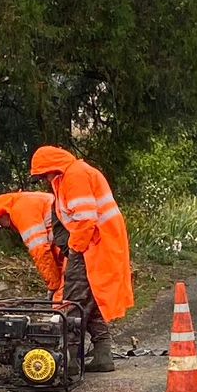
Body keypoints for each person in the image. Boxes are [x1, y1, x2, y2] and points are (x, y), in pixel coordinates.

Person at [29, 145, 135, 372]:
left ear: (53, 167)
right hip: (100, 242)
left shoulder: (74, 176)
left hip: (92, 243)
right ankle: (102, 355)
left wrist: (74, 249)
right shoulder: (72, 174)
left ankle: (71, 362)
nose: (45, 179)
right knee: (91, 298)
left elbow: (85, 219)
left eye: (45, 174)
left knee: (74, 299)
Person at [0, 190, 64, 296]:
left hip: (68, 243)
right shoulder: (24, 202)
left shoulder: (21, 211)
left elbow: (40, 251)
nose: (2, 227)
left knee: (65, 294)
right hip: (66, 242)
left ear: (2, 214)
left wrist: (54, 285)